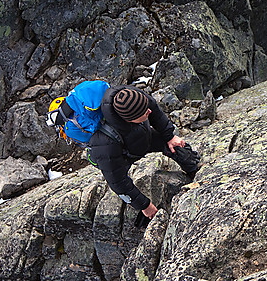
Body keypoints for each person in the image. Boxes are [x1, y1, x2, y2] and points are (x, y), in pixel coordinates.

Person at [84, 85, 200, 221]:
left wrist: (169, 136)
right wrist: (144, 205)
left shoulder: (133, 96)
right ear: (129, 120)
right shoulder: (105, 144)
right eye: (143, 113)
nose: (149, 111)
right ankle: (143, 217)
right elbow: (118, 182)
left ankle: (194, 170)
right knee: (134, 199)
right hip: (124, 154)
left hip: (141, 137)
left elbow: (154, 109)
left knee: (178, 148)